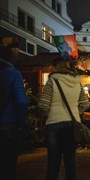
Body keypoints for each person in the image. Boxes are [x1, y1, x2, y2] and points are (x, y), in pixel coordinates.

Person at [38, 57, 89, 180]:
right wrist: (75, 112)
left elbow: (43, 105)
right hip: (72, 125)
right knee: (70, 161)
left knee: (53, 163)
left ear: (57, 67)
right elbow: (84, 103)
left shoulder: (52, 81)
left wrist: (48, 114)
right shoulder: (77, 82)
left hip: (54, 124)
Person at [0, 36, 28, 180]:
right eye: (15, 48)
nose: (18, 51)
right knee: (7, 168)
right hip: (7, 126)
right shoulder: (13, 73)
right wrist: (21, 124)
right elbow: (21, 102)